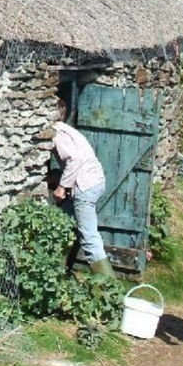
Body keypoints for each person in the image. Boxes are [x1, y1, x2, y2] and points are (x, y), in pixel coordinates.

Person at [52, 98, 114, 278]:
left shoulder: (57, 133)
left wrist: (62, 187)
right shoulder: (68, 130)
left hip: (84, 187)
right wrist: (56, 176)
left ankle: (110, 290)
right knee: (63, 221)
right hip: (94, 182)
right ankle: (58, 273)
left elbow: (75, 159)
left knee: (89, 238)